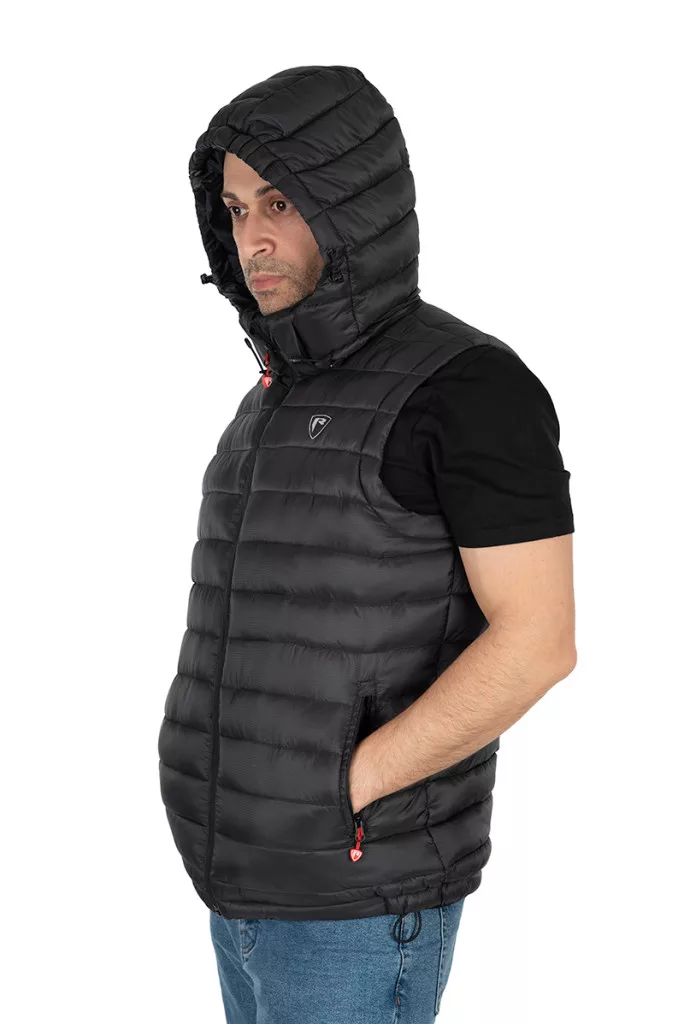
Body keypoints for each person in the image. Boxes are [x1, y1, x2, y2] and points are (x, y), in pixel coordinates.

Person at [158, 64, 577, 1023]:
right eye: (234, 210)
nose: (252, 238)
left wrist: (347, 787)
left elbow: (539, 640)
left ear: (351, 206)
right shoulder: (269, 399)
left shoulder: (468, 388)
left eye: (280, 202)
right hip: (240, 884)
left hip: (355, 901)